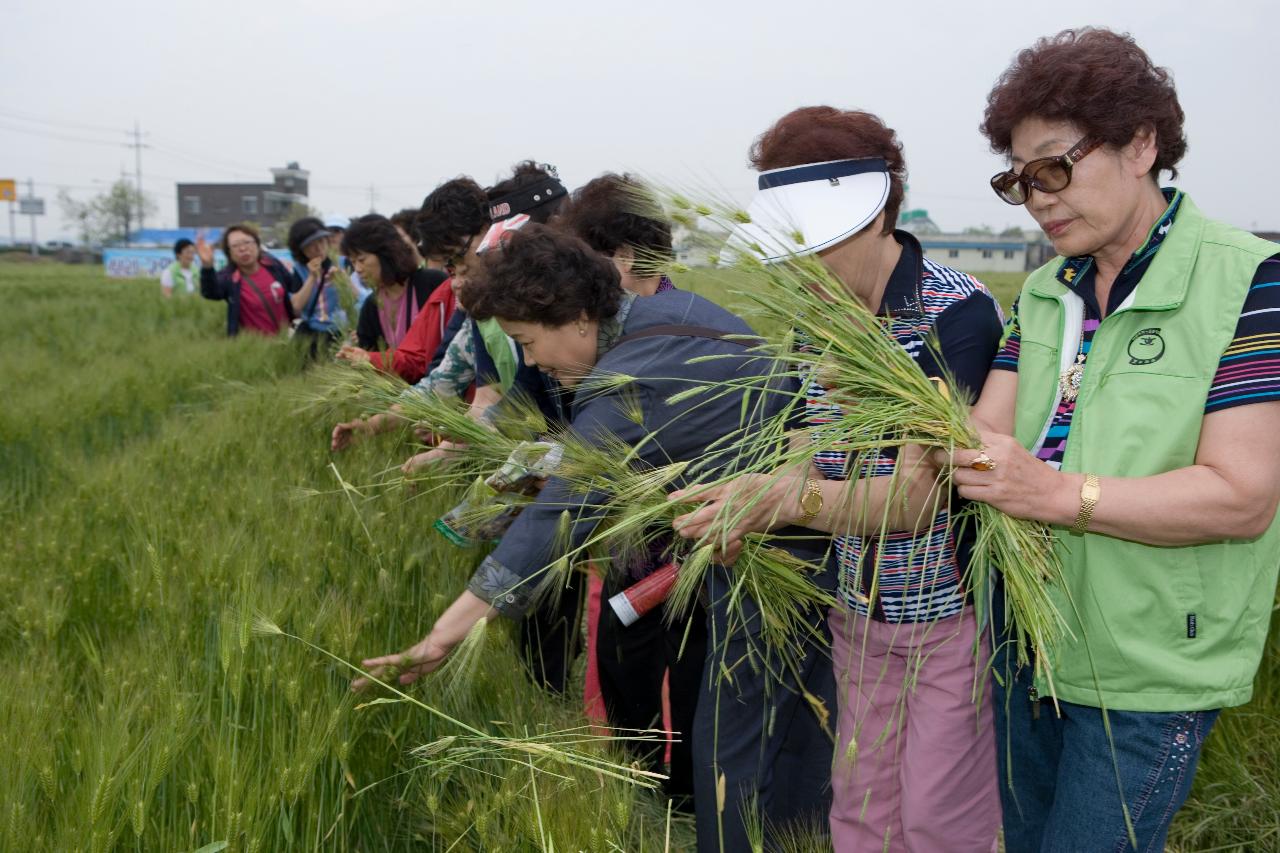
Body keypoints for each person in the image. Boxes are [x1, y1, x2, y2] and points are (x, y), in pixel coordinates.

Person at [350, 226, 832, 843]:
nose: (529, 361)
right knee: (787, 743)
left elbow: (556, 517)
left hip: (776, 565)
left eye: (527, 341)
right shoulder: (676, 309)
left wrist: (441, 638)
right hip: (787, 541)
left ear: (578, 317)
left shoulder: (622, 382)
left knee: (737, 753)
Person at [941, 28, 1280, 852]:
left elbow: (1242, 495)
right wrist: (915, 418)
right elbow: (985, 435)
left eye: (1055, 167)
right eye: (1019, 181)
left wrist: (1055, 492)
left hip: (1148, 665)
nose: (1039, 197)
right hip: (1027, 640)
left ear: (1141, 143)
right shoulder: (1046, 293)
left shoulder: (1248, 280)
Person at [670, 107, 1005, 851]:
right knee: (859, 809)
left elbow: (921, 501)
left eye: (812, 248)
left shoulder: (957, 313)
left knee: (936, 819)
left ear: (878, 215)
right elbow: (803, 448)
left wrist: (787, 499)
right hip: (857, 612)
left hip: (950, 618)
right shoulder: (820, 323)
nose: (798, 273)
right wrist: (749, 502)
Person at [557, 171, 699, 796]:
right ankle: (636, 783)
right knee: (621, 660)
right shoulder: (601, 328)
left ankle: (683, 799)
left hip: (691, 537)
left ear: (619, 257)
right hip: (624, 537)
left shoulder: (684, 326)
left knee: (685, 674)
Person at [336, 215, 447, 379]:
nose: (357, 269)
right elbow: (370, 361)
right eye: (353, 262)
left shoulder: (432, 284)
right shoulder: (371, 306)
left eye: (361, 259)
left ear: (385, 253)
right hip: (398, 397)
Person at [286, 217, 368, 354]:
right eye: (310, 245)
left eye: (321, 241)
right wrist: (312, 277)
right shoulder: (300, 269)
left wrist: (343, 281)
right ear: (301, 250)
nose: (318, 248)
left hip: (342, 333)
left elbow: (360, 299)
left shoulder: (344, 262)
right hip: (313, 334)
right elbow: (296, 307)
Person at [197, 223, 297, 336]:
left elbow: (293, 286)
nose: (243, 248)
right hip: (254, 347)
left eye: (247, 242)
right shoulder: (229, 277)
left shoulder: (272, 264)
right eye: (235, 245)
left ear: (257, 244)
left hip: (287, 339)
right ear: (229, 253)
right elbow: (210, 292)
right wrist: (207, 266)